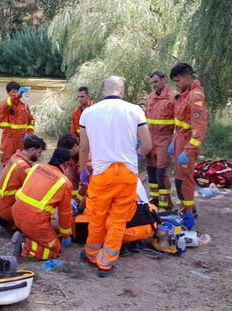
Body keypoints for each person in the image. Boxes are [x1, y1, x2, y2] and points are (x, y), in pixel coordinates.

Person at [79, 76, 152, 277]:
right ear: (123, 90)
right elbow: (147, 146)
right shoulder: (135, 110)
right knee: (118, 220)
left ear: (103, 91)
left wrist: (82, 170)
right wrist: (134, 156)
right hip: (127, 174)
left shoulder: (88, 112)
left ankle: (91, 254)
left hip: (102, 174)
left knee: (97, 217)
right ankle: (106, 263)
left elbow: (84, 148)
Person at [11, 148, 73, 260]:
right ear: (66, 163)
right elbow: (65, 214)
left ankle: (27, 234)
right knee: (55, 249)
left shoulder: (36, 167)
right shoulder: (64, 183)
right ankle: (25, 245)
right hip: (34, 222)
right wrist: (66, 234)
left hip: (16, 214)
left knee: (50, 223)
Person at [0, 135, 47, 231]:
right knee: (37, 210)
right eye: (39, 152)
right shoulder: (23, 167)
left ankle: (5, 219)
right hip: (7, 208)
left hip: (1, 202)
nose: (39, 155)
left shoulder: (15, 157)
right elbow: (38, 188)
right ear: (32, 150)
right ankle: (13, 226)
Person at [169, 63, 207, 216]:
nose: (176, 85)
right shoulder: (184, 94)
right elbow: (179, 122)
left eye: (177, 81)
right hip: (180, 141)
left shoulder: (195, 96)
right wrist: (173, 140)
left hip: (188, 145)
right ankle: (186, 208)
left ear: (186, 77)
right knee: (179, 178)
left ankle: (190, 211)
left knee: (185, 179)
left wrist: (189, 150)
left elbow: (199, 128)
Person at [145, 71, 175, 210]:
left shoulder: (173, 97)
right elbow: (146, 119)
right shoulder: (150, 97)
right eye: (151, 83)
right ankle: (155, 201)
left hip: (165, 139)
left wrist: (174, 141)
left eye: (156, 82)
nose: (153, 85)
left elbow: (179, 122)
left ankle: (166, 204)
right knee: (151, 172)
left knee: (161, 172)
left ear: (163, 80)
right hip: (151, 139)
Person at [0, 81, 35, 167]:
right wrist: (17, 95)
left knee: (22, 165)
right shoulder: (3, 105)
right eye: (13, 91)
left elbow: (31, 120)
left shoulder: (24, 106)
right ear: (7, 93)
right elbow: (8, 103)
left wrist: (29, 133)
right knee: (7, 165)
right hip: (9, 140)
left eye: (17, 91)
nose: (15, 93)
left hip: (22, 140)